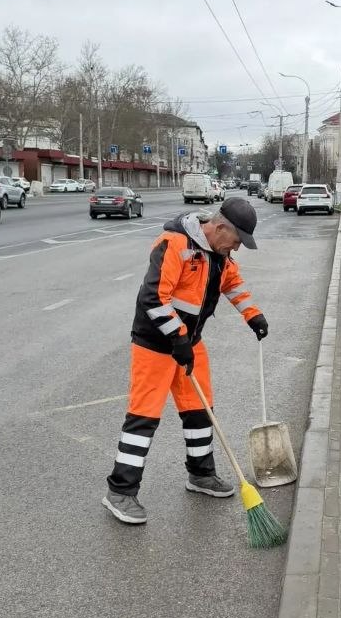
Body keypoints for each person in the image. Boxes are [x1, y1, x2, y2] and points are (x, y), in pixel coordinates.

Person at [102, 197, 268, 527]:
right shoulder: (174, 243)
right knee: (143, 419)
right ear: (220, 228)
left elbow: (232, 285)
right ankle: (120, 491)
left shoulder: (220, 255)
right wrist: (177, 337)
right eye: (235, 241)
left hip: (188, 345)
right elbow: (153, 298)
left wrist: (253, 315)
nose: (235, 249)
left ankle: (201, 475)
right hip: (155, 345)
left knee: (201, 411)